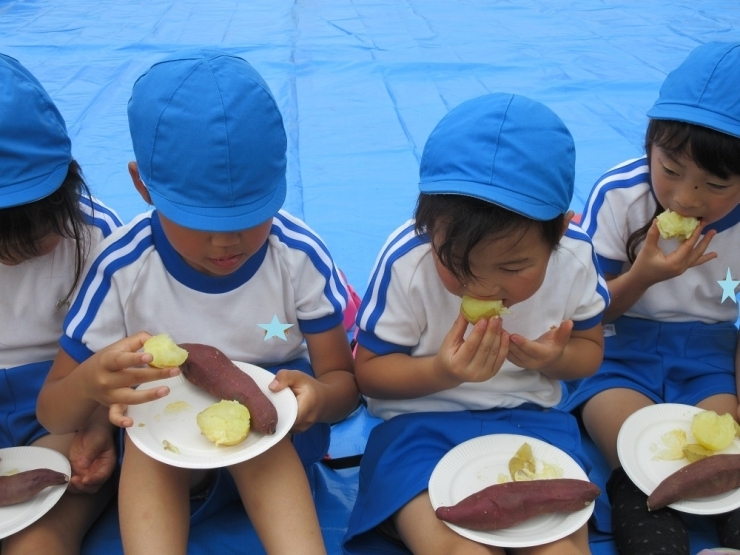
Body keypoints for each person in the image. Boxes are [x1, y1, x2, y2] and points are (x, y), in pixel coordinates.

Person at [35, 49, 359, 555]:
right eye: (202, 222)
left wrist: (319, 399)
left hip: (281, 445)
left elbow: (345, 384)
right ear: (142, 184)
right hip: (167, 455)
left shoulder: (297, 257)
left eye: (252, 215)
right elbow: (53, 413)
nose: (227, 243)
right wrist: (92, 384)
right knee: (150, 452)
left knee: (262, 447)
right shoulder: (122, 269)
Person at [342, 93, 609, 555]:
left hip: (533, 425)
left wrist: (557, 359)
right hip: (416, 430)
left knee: (560, 548)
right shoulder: (409, 260)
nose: (482, 288)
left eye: (512, 269)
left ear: (560, 231)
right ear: (429, 226)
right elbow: (368, 374)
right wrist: (441, 373)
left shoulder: (578, 257)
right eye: (458, 266)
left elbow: (590, 351)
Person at [560, 42, 740, 554]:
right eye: (670, 169)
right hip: (616, 347)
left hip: (709, 356)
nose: (686, 198)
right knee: (637, 459)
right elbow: (585, 316)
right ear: (650, 144)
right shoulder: (620, 197)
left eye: (715, 184)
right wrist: (643, 276)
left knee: (723, 462)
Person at [0, 53, 122, 553]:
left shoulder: (99, 239)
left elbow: (120, 361)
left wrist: (96, 424)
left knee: (40, 538)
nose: (27, 247)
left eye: (44, 223)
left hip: (62, 404)